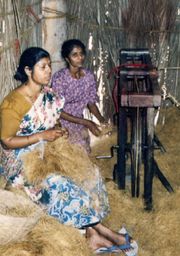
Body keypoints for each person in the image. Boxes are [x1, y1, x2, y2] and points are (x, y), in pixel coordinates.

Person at [0, 47, 137, 254]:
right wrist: (39, 137)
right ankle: (104, 233)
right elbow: (6, 140)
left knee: (90, 173)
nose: (48, 71)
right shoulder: (13, 102)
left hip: (48, 152)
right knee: (59, 183)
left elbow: (50, 124)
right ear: (28, 71)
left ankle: (93, 234)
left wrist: (57, 131)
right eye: (43, 67)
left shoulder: (49, 96)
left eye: (49, 66)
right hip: (23, 162)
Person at [51, 39, 109, 153]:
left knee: (85, 151)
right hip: (61, 122)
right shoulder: (60, 79)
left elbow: (91, 103)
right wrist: (87, 122)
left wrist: (102, 121)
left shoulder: (88, 76)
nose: (80, 57)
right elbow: (57, 111)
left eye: (82, 54)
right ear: (67, 58)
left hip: (79, 121)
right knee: (74, 153)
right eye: (75, 55)